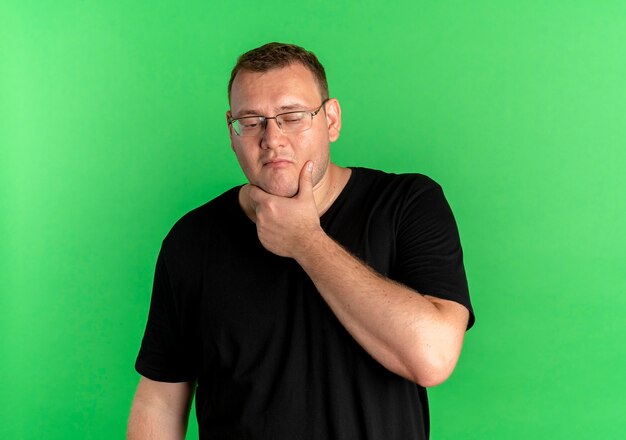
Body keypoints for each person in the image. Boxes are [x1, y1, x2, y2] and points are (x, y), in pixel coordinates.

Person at [128, 42, 475, 440]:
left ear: (331, 120)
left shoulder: (406, 205)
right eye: (251, 120)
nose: (272, 139)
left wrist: (306, 241)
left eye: (292, 117)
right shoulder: (191, 240)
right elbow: (160, 398)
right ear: (231, 130)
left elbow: (432, 357)